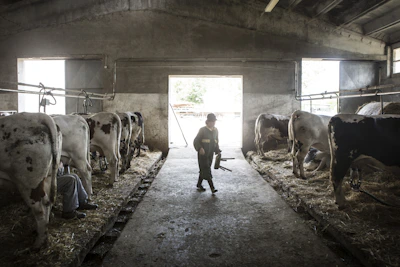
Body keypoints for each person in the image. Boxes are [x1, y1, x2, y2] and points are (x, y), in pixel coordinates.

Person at [193, 113, 221, 194]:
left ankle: (199, 184)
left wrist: (218, 150)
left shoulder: (216, 130)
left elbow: (216, 141)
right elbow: (196, 140)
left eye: (214, 121)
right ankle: (212, 188)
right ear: (207, 122)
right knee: (207, 170)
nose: (213, 123)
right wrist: (200, 148)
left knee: (204, 169)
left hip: (210, 155)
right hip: (203, 154)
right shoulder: (202, 130)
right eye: (211, 121)